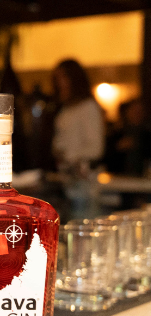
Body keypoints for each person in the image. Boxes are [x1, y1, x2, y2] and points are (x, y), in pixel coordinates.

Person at [51, 59, 105, 219]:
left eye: (64, 77)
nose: (60, 83)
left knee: (82, 226)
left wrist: (69, 155)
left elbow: (96, 148)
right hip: (65, 180)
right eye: (57, 78)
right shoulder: (65, 108)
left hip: (83, 182)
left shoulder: (88, 107)